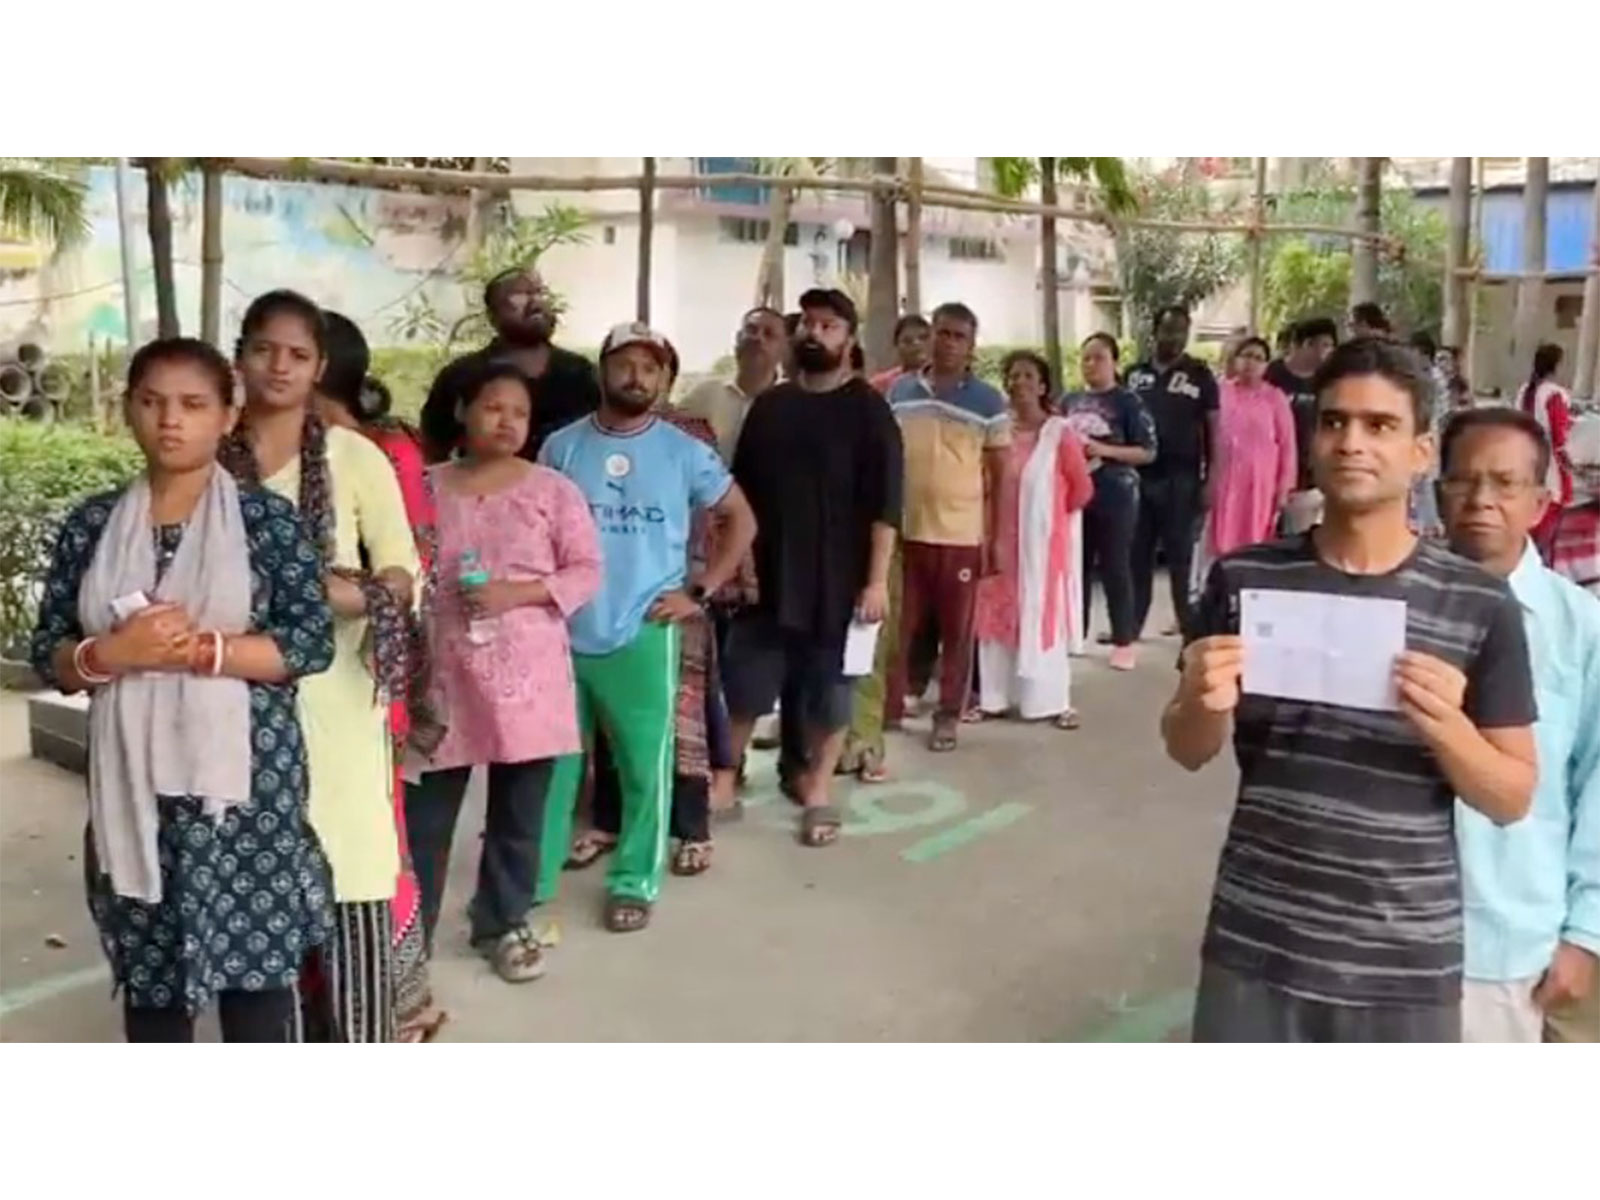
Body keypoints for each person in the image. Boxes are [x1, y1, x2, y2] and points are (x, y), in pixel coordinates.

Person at [1167, 336, 1539, 1042]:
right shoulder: (1247, 579)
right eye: (1335, 421)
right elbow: (1188, 749)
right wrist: (1198, 700)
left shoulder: (1478, 603)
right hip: (1254, 946)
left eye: (1380, 425)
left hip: (1403, 964)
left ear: (1421, 453)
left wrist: (1449, 729)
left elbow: (1512, 795)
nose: (1351, 443)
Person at [30, 337, 335, 1042]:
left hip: (245, 790)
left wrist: (200, 651)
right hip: (133, 785)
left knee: (256, 976)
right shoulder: (93, 525)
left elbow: (309, 643)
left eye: (193, 404)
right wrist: (112, 654)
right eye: (152, 402)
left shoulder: (266, 522)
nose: (171, 420)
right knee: (153, 978)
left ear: (227, 415)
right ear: (128, 410)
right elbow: (51, 654)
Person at [222, 289, 421, 1043]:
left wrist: (352, 593)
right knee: (253, 878)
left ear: (319, 367)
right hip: (232, 693)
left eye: (297, 354)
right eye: (264, 349)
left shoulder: (353, 456)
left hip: (338, 695)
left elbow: (403, 570)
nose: (279, 366)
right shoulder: (210, 452)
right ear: (240, 355)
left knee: (351, 862)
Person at [537, 322, 757, 932]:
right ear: (603, 370)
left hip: (643, 629)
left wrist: (698, 591)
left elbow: (741, 519)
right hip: (562, 628)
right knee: (552, 766)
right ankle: (533, 880)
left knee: (644, 766)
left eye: (650, 367)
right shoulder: (561, 447)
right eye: (625, 364)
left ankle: (634, 880)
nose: (636, 376)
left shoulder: (685, 451)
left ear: (664, 379)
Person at [403, 361, 600, 981]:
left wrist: (517, 593)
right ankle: (408, 941)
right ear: (463, 411)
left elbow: (586, 570)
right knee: (425, 818)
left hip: (529, 680)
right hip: (443, 677)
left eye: (519, 412)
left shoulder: (553, 491)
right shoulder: (424, 488)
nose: (507, 422)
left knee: (519, 814)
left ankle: (502, 923)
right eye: (493, 407)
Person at [1437, 407, 1600, 1043]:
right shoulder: (1396, 607)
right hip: (1383, 933)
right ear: (1437, 492)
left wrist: (1586, 933)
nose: (1482, 500)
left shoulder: (1579, 628)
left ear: (1540, 502)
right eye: (1464, 480)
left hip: (1508, 943)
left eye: (1505, 483)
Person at [722, 287, 903, 847]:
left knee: (831, 690)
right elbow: (739, 494)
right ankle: (725, 777)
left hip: (840, 580)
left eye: (829, 326)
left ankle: (818, 787)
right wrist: (739, 564)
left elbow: (886, 505)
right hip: (769, 575)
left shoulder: (869, 411)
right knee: (745, 684)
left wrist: (876, 582)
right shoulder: (771, 406)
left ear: (849, 339)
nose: (815, 333)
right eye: (809, 324)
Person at [314, 311, 443, 1042]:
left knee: (368, 844)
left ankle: (392, 1001)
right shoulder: (255, 452)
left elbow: (411, 573)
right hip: (294, 686)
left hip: (364, 676)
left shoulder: (380, 453)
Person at [884, 302, 1010, 752]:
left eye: (959, 336)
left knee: (956, 633)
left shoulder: (988, 401)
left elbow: (1001, 476)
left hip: (960, 536)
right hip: (905, 532)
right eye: (942, 333)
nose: (948, 343)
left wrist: (996, 539)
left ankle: (947, 716)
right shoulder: (900, 391)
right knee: (898, 628)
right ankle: (889, 708)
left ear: (972, 346)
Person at [972, 350, 1093, 727]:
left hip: (1041, 547)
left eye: (1028, 376)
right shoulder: (995, 429)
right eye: (1013, 376)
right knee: (994, 615)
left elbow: (1081, 489)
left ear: (1042, 386)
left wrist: (1046, 519)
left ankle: (1049, 702)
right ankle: (993, 699)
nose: (1019, 383)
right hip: (997, 538)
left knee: (1040, 615)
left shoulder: (1059, 433)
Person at [419, 267, 600, 463]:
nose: (535, 302)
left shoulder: (582, 374)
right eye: (519, 295)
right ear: (492, 316)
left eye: (540, 293)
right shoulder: (462, 376)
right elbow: (434, 449)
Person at [1063, 333, 1156, 669]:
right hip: (1075, 495)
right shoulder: (1069, 400)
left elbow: (1147, 451)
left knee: (1116, 565)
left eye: (1099, 357)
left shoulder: (1129, 402)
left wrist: (1104, 450)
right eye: (1086, 358)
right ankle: (1075, 632)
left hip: (1116, 493)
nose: (1091, 364)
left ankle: (1123, 641)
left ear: (1115, 362)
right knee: (1077, 566)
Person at [1126, 305, 1219, 642]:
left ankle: (1189, 630)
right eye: (1169, 330)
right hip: (1139, 477)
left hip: (1182, 479)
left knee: (1181, 558)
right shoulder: (1133, 374)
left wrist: (1212, 479)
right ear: (1155, 332)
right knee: (1137, 555)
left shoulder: (1200, 375)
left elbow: (1214, 430)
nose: (1175, 338)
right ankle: (1130, 627)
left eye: (1182, 331)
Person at [1203, 336, 1295, 565]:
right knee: (1219, 540)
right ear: (1235, 359)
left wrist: (1283, 490)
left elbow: (1287, 446)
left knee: (1255, 540)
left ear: (1266, 365)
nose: (1251, 363)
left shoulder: (1275, 398)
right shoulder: (1220, 392)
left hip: (1260, 485)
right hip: (1225, 479)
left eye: (1258, 358)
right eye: (1246, 356)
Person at [676, 306, 788, 463]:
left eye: (769, 334)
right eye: (751, 330)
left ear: (783, 350)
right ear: (738, 339)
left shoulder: (793, 404)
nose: (758, 338)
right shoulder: (704, 396)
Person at [1266, 317, 1338, 535]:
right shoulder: (1272, 375)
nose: (1328, 352)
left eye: (1331, 346)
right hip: (1270, 473)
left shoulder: (1328, 380)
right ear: (1307, 344)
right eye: (1325, 345)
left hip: (1309, 476)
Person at [1517, 343, 1574, 556]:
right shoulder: (1554, 394)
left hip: (1526, 455)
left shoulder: (1525, 390)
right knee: (1550, 514)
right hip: (1551, 463)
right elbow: (1559, 435)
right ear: (1556, 366)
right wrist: (1569, 462)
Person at [869, 314, 931, 395]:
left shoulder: (941, 381)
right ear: (896, 345)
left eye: (923, 338)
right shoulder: (880, 384)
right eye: (907, 341)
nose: (916, 344)